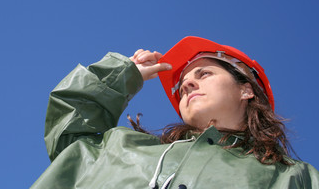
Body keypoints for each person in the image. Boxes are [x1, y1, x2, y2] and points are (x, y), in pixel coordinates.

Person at [31, 36, 319, 189]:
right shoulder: (119, 145)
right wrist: (121, 74)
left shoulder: (292, 178)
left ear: (246, 90)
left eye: (204, 73)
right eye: (182, 85)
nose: (187, 83)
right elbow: (69, 127)